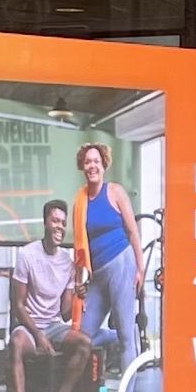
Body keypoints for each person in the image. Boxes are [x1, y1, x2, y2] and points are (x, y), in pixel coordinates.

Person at [6, 200, 89, 392]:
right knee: (15, 345)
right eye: (55, 221)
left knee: (85, 344)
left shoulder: (67, 262)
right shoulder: (27, 254)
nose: (59, 227)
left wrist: (78, 293)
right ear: (45, 223)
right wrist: (38, 336)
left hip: (53, 325)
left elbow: (64, 314)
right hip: (31, 327)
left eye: (63, 223)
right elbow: (18, 305)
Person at [71, 142, 147, 373]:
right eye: (87, 162)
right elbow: (80, 247)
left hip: (122, 264)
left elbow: (133, 231)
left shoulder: (114, 191)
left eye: (96, 161)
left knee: (127, 342)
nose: (92, 165)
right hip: (97, 275)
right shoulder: (81, 200)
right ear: (82, 167)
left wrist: (140, 269)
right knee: (81, 336)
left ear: (103, 164)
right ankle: (119, 333)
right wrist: (79, 282)